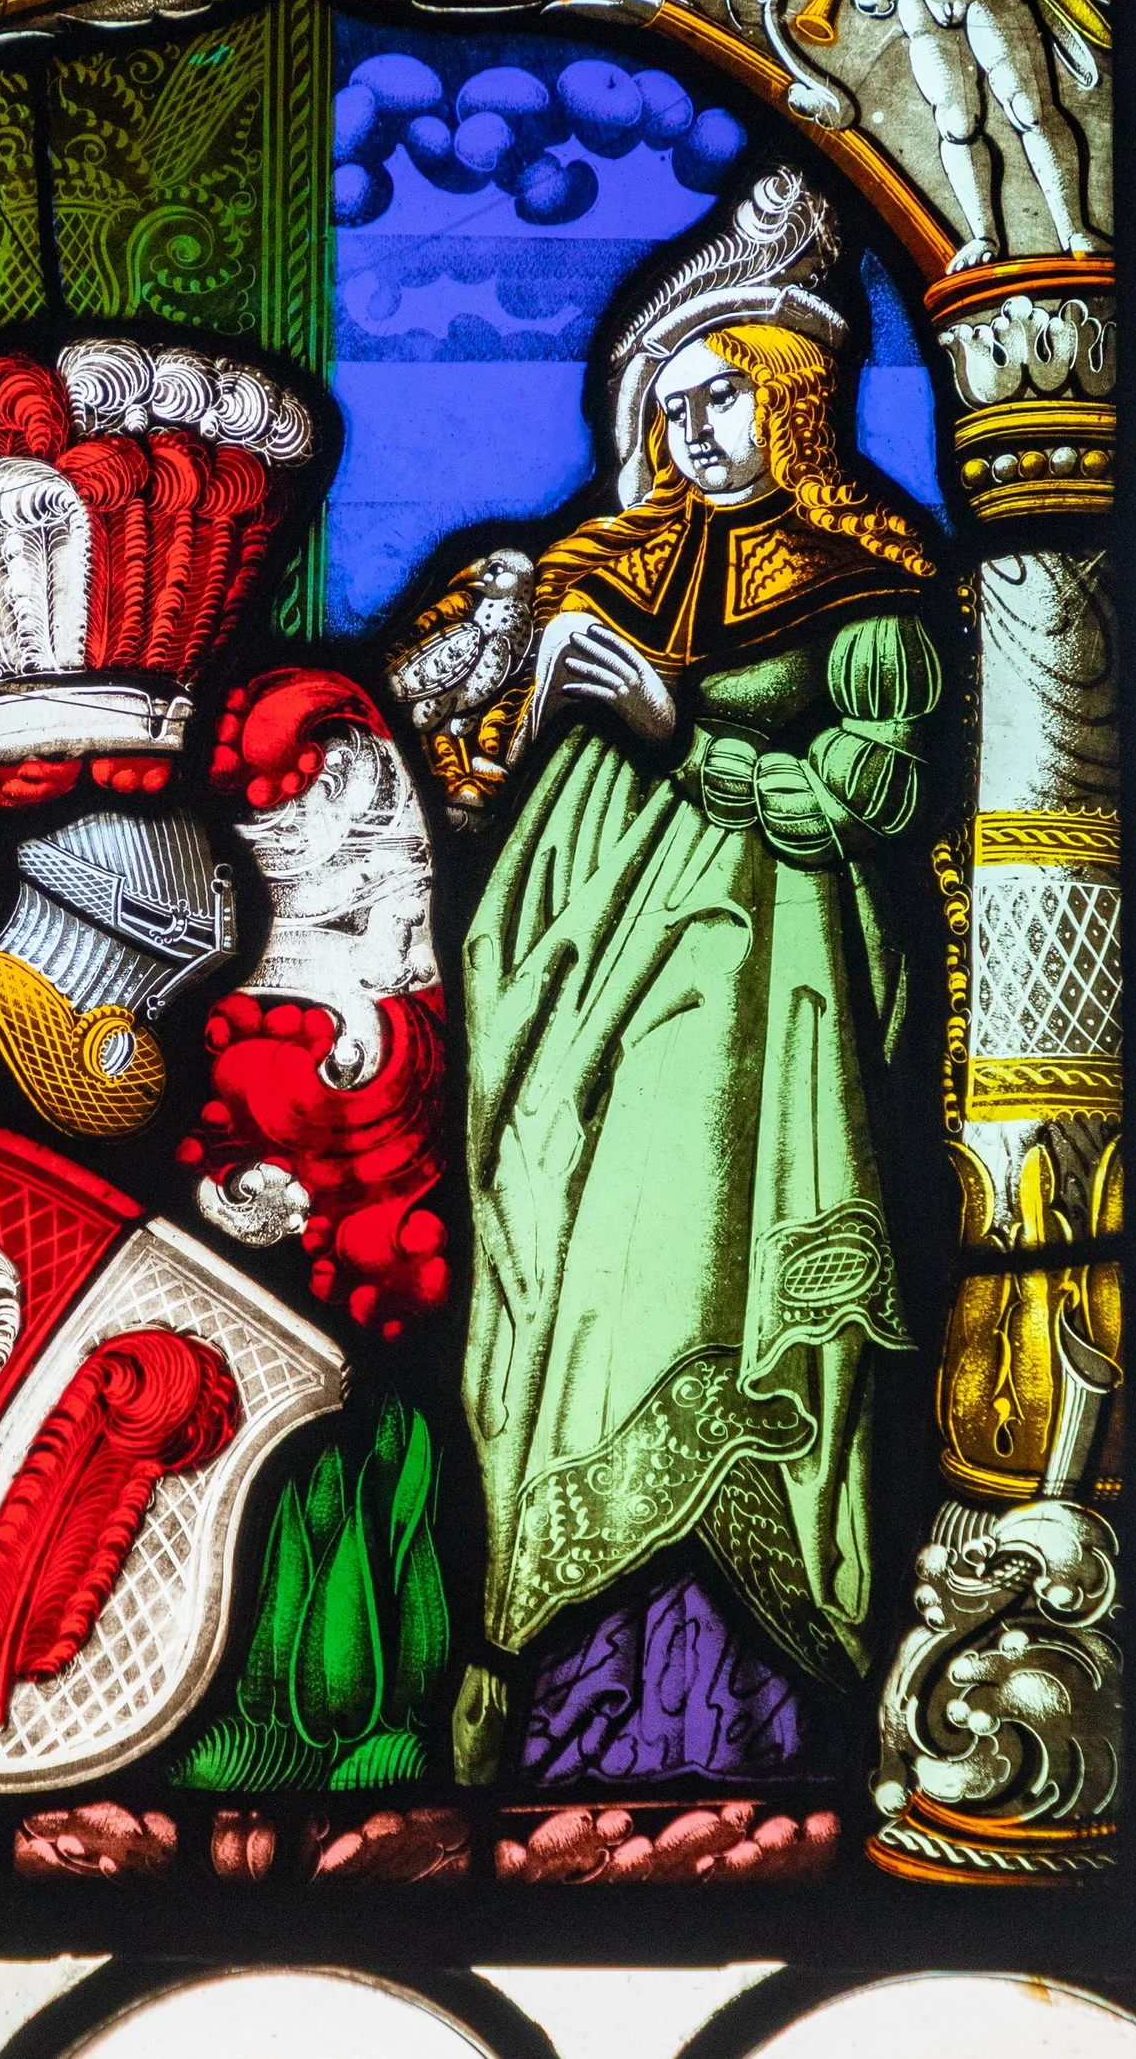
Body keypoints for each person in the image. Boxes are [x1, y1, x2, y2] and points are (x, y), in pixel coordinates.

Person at [390, 171, 941, 1783]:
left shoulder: (872, 597)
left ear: (797, 402)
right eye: (673, 402)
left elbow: (866, 804)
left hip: (761, 1004)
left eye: (729, 397)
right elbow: (452, 771)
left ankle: (728, 1717)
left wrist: (674, 726)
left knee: (698, 1295)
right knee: (561, 1310)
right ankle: (552, 1694)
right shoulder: (599, 565)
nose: (699, 433)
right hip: (558, 1002)